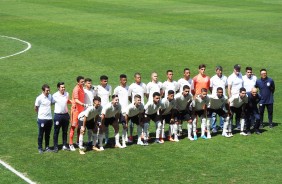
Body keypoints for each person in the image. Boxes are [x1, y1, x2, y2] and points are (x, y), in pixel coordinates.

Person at [52, 82, 72, 153]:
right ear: (58, 88)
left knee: (65, 131)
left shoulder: (67, 94)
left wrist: (73, 102)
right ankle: (55, 146)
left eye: (64, 87)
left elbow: (67, 101)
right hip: (58, 115)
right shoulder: (55, 95)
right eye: (62, 87)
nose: (63, 88)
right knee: (56, 131)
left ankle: (64, 145)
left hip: (65, 115)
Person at [128, 72, 147, 142]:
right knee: (132, 123)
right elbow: (129, 96)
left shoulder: (144, 85)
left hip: (141, 106)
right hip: (134, 107)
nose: (139, 79)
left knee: (141, 121)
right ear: (135, 78)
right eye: (138, 77)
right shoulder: (131, 86)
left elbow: (145, 94)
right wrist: (133, 103)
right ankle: (130, 136)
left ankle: (142, 134)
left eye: (140, 77)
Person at [34, 84, 53, 154]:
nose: (48, 92)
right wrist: (39, 115)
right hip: (42, 119)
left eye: (49, 90)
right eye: (47, 90)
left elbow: (52, 103)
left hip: (49, 119)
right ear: (43, 90)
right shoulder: (39, 98)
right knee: (41, 134)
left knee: (47, 134)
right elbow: (36, 108)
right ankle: (40, 148)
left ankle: (47, 147)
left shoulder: (50, 96)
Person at [69, 76, 86, 151]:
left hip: (81, 111)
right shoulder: (76, 89)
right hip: (75, 110)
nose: (83, 83)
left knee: (79, 126)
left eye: (83, 81)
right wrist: (83, 104)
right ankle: (70, 143)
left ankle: (78, 142)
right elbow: (76, 100)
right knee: (73, 127)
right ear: (78, 82)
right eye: (82, 82)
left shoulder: (82, 87)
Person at [209, 66, 227, 133]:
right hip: (215, 99)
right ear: (216, 71)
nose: (220, 72)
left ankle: (222, 126)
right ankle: (214, 127)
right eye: (218, 70)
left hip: (222, 98)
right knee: (214, 114)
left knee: (223, 112)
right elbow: (210, 87)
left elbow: (226, 86)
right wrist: (214, 94)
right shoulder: (213, 78)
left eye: (221, 70)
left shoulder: (225, 78)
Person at [113, 74, 129, 146]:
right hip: (118, 110)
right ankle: (116, 140)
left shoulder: (128, 88)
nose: (125, 81)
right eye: (123, 80)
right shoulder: (117, 89)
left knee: (125, 124)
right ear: (120, 80)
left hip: (126, 109)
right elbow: (114, 99)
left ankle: (125, 138)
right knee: (116, 125)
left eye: (126, 80)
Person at [227, 64, 244, 129]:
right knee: (231, 112)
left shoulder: (241, 75)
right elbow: (229, 88)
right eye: (237, 69)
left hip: (240, 97)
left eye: (239, 69)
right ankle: (230, 125)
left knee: (239, 112)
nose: (238, 70)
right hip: (233, 97)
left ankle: (237, 125)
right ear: (234, 69)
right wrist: (230, 97)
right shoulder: (231, 77)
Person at [97, 75, 112, 144]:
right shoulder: (97, 88)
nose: (106, 82)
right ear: (101, 81)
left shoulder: (109, 87)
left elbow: (109, 97)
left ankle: (106, 138)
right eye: (104, 81)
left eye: (106, 81)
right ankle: (98, 139)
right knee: (99, 125)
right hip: (100, 109)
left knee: (106, 125)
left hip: (107, 109)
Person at [83, 78, 97, 147]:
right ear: (85, 83)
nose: (90, 84)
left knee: (90, 128)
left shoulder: (93, 91)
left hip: (92, 111)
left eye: (90, 83)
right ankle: (80, 143)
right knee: (83, 128)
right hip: (85, 111)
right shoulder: (83, 90)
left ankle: (90, 141)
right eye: (88, 83)